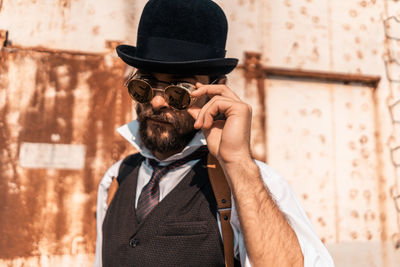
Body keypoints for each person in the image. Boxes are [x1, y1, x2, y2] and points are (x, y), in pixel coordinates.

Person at [94, 0, 334, 266]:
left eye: (179, 90)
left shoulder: (249, 183)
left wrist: (237, 163)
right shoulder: (115, 178)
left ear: (217, 89)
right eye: (145, 85)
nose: (157, 102)